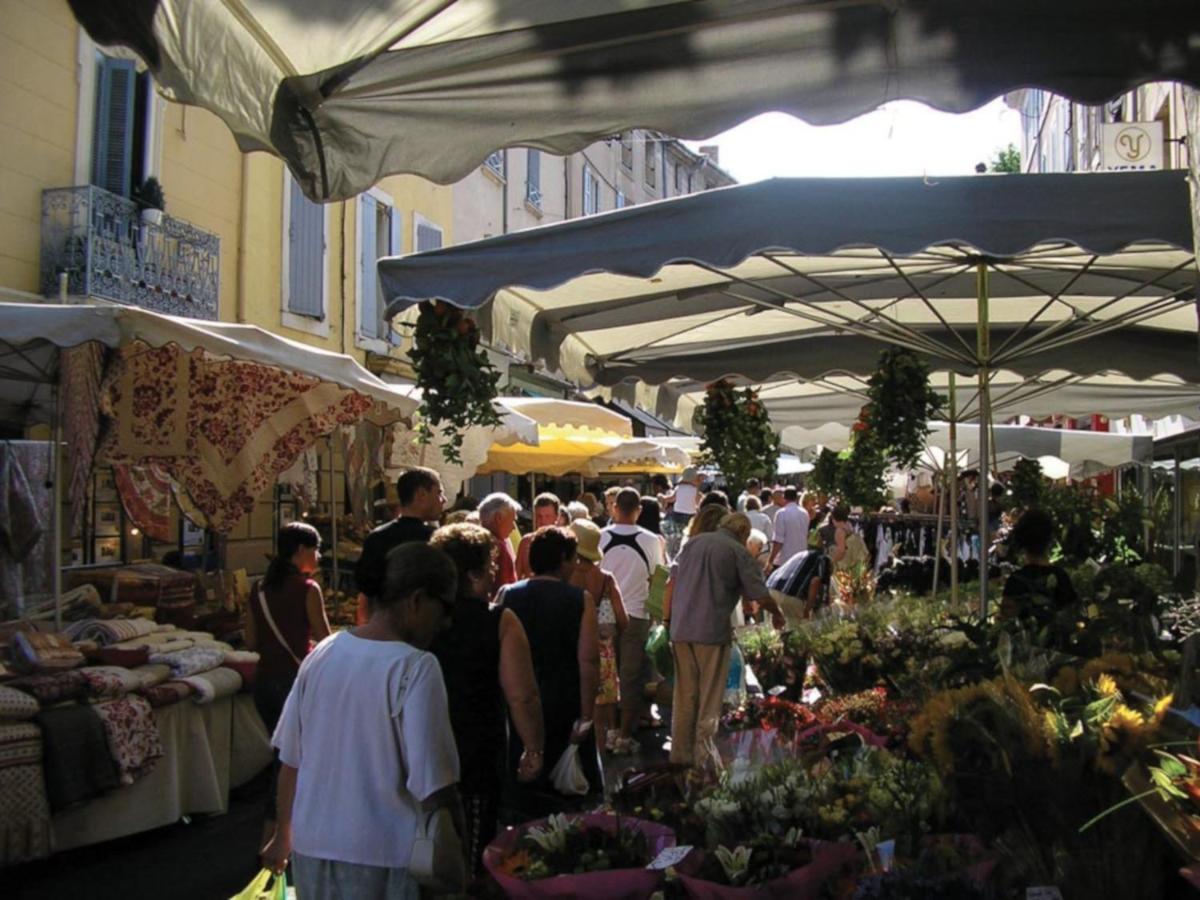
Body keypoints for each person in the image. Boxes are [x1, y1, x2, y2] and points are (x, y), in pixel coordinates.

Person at [262, 543, 463, 898]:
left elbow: (291, 760)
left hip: (312, 849)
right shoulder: (416, 667)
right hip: (385, 854)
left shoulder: (322, 654)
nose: (447, 622)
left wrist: (284, 834)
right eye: (445, 607)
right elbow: (434, 785)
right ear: (417, 600)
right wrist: (458, 843)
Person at [429, 524, 544, 875]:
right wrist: (533, 747)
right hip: (477, 748)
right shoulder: (498, 620)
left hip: (422, 748)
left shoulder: (418, 616)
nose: (496, 571)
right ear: (474, 574)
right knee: (473, 849)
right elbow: (521, 695)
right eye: (491, 564)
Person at [666, 512, 784, 770]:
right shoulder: (737, 551)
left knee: (685, 695)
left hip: (681, 628)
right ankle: (703, 758)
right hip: (710, 632)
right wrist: (777, 613)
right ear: (744, 534)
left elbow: (673, 580)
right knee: (709, 698)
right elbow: (760, 596)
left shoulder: (693, 543)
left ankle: (680, 754)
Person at [497, 527, 602, 811]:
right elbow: (588, 660)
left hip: (518, 699)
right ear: (564, 560)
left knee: (525, 783)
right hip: (565, 696)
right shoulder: (580, 599)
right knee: (568, 790)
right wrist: (587, 714)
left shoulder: (507, 595)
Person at [245, 522, 332, 848]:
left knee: (284, 759)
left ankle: (283, 837)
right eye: (316, 548)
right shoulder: (308, 589)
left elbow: (251, 639)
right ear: (300, 550)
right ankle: (273, 841)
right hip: (294, 684)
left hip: (264, 682)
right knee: (291, 764)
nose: (319, 555)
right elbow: (325, 641)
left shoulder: (258, 590)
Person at [600, 488, 665, 754]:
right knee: (631, 677)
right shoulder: (651, 540)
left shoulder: (601, 538)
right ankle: (626, 735)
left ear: (614, 508)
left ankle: (609, 731)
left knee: (606, 675)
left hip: (604, 615)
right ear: (638, 510)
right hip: (637, 615)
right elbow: (657, 578)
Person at [568, 519, 628, 757]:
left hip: (571, 648)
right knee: (602, 709)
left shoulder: (565, 577)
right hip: (602, 649)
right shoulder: (605, 578)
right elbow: (623, 620)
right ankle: (600, 761)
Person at [354, 467, 445, 623]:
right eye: (438, 493)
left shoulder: (377, 537)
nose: (443, 500)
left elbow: (366, 590)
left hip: (383, 625)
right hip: (423, 628)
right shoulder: (436, 539)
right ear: (421, 494)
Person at [1000, 508, 1081, 641]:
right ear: (1049, 540)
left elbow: (1006, 624)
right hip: (1058, 653)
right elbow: (1072, 617)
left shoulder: (1016, 581)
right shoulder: (1061, 577)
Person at [767, 546, 833, 623]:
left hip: (771, 588)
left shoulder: (806, 555)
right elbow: (815, 582)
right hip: (790, 594)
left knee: (785, 625)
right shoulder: (824, 560)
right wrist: (807, 610)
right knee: (801, 627)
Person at [478, 492, 522, 591]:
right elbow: (503, 588)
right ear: (498, 518)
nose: (514, 528)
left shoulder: (473, 542)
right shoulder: (498, 547)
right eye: (512, 521)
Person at [516, 493, 561, 579]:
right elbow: (516, 575)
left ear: (556, 517)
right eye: (539, 516)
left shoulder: (563, 543)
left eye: (547, 516)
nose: (543, 521)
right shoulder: (526, 542)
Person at [768, 487, 810, 571]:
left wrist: (770, 560)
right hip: (801, 557)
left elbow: (778, 540)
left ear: (784, 497)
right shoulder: (804, 513)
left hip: (785, 559)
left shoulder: (781, 513)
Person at [830, 505, 870, 572]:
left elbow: (841, 550)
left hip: (845, 563)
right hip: (854, 561)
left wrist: (832, 562)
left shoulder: (840, 531)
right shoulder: (849, 526)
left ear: (834, 518)